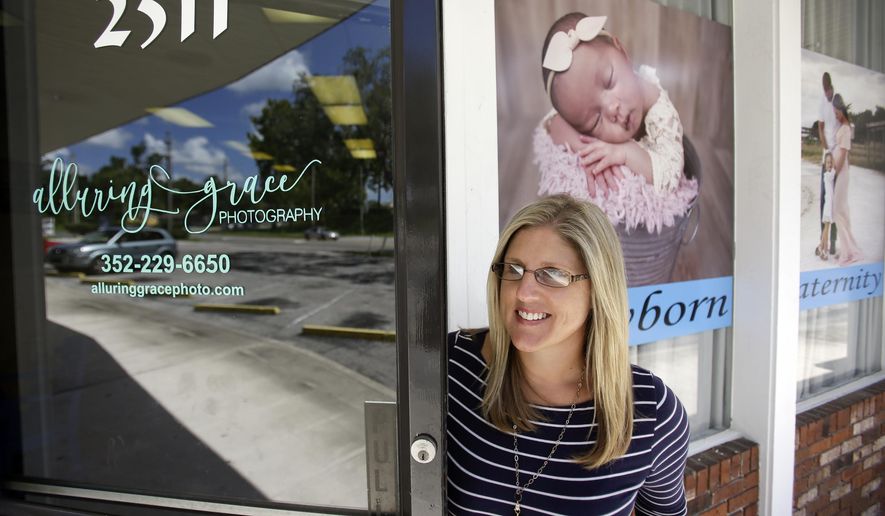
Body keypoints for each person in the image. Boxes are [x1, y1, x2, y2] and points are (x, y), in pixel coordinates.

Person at [446, 195, 690, 515]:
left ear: (597, 289)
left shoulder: (649, 411)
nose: (523, 292)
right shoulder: (451, 366)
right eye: (514, 269)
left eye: (553, 274)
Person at [533, 13, 697, 236]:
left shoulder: (660, 110)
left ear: (622, 52)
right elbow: (553, 124)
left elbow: (670, 177)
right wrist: (584, 148)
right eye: (595, 120)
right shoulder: (581, 100)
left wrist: (627, 152)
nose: (612, 109)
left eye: (609, 81)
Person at [830, 94, 863, 266]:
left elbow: (842, 154)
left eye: (837, 113)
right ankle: (846, 249)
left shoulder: (846, 128)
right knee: (842, 211)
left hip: (841, 173)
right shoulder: (841, 126)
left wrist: (834, 174)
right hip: (839, 172)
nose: (836, 115)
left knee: (838, 210)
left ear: (842, 110)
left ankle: (849, 252)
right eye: (834, 113)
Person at [817, 72, 838, 254]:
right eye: (825, 90)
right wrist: (826, 149)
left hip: (836, 155)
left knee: (835, 201)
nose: (827, 93)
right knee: (824, 199)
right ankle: (821, 240)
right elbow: (820, 127)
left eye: (828, 90)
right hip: (827, 155)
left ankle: (832, 242)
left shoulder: (837, 101)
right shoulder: (822, 102)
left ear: (831, 87)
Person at [816, 152, 836, 261]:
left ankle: (821, 248)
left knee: (825, 230)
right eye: (828, 163)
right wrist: (835, 165)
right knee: (826, 231)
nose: (829, 164)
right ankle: (824, 250)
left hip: (829, 206)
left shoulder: (828, 174)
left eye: (831, 162)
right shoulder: (828, 175)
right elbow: (834, 173)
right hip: (828, 207)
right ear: (824, 164)